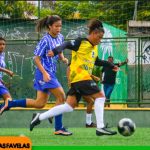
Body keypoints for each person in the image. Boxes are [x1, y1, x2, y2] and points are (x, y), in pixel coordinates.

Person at [30, 19, 118, 136]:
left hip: (79, 80)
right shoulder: (80, 42)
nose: (100, 40)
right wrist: (56, 51)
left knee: (69, 106)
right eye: (100, 37)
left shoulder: (94, 48)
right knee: (101, 97)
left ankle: (39, 117)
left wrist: (111, 65)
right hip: (81, 77)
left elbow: (97, 61)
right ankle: (100, 127)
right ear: (94, 34)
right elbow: (66, 44)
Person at [0, 15, 72, 136]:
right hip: (44, 73)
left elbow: (59, 50)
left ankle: (10, 103)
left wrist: (63, 58)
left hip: (50, 73)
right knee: (61, 97)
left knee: (39, 103)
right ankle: (58, 128)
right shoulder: (45, 40)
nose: (59, 28)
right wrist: (44, 73)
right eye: (56, 26)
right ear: (50, 26)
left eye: (60, 26)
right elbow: (36, 59)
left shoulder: (60, 37)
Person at [66, 62, 99, 128]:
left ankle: (88, 123)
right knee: (68, 106)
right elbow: (69, 75)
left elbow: (85, 73)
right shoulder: (71, 66)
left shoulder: (80, 64)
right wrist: (70, 85)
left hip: (80, 85)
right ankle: (88, 123)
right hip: (76, 86)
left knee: (90, 101)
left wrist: (93, 77)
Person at [0, 37, 14, 109]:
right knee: (9, 101)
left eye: (3, 44)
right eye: (0, 44)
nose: (2, 46)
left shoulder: (1, 55)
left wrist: (2, 82)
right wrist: (8, 71)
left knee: (8, 103)